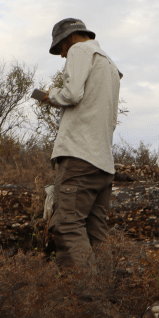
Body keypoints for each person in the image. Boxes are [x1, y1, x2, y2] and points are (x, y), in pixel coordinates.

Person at [41, 18, 122, 271]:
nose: (62, 55)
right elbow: (112, 121)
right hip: (103, 163)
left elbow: (72, 94)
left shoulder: (79, 50)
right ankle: (108, 288)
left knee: (66, 224)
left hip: (78, 157)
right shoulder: (111, 65)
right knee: (96, 230)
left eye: (60, 48)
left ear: (70, 38)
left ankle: (87, 292)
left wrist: (51, 95)